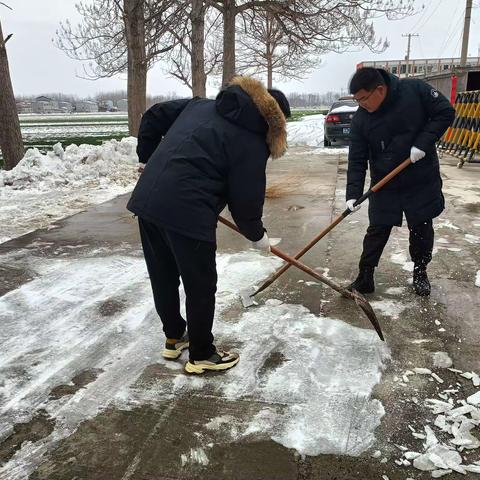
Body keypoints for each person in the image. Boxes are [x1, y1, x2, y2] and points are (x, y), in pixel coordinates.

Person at [127, 76, 290, 374]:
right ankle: (201, 354)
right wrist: (257, 236)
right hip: (188, 211)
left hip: (148, 200)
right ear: (272, 120)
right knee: (200, 284)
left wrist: (148, 161)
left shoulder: (200, 106)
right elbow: (245, 199)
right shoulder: (252, 140)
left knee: (163, 275)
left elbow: (153, 116)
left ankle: (174, 337)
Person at [345, 67, 455, 296]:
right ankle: (365, 276)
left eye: (364, 98)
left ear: (380, 89)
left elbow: (445, 112)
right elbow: (356, 159)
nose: (361, 104)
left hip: (420, 177)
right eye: (357, 100)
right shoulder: (361, 119)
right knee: (377, 228)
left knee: (422, 228)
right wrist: (352, 194)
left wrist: (423, 144)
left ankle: (420, 271)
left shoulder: (414, 90)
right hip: (385, 181)